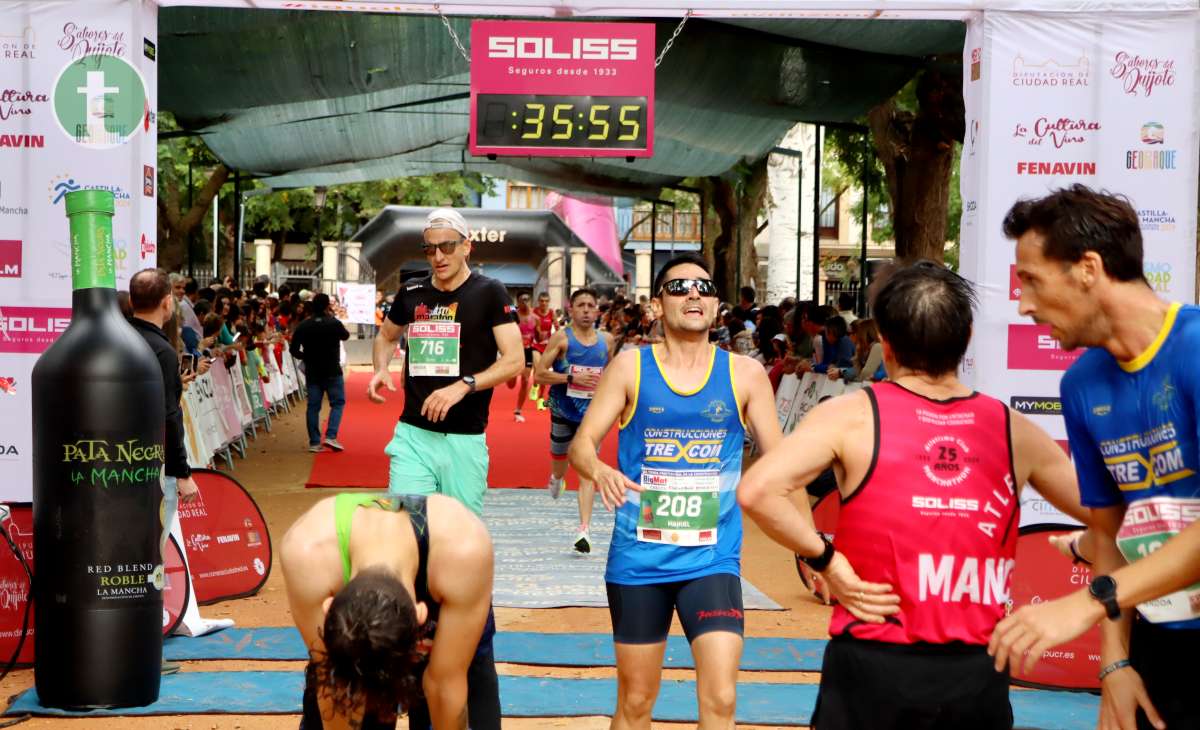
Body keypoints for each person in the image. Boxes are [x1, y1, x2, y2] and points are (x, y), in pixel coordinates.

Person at [737, 261, 1093, 730]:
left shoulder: (849, 416)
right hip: (975, 671)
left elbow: (758, 491)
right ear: (966, 339)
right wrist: (1089, 550)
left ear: (884, 342)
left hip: (872, 662)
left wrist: (826, 560)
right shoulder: (1012, 428)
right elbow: (1107, 511)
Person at [988, 185, 1200, 730]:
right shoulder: (1081, 384)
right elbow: (1110, 531)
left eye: (1031, 280)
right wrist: (1116, 661)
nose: (1024, 305)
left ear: (1088, 268)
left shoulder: (1195, 350)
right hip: (1161, 644)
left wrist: (1088, 601)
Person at [568, 253, 783, 729]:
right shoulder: (630, 368)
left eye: (704, 288)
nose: (693, 295)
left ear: (716, 306)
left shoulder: (744, 374)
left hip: (712, 560)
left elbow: (780, 460)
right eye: (680, 286)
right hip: (639, 562)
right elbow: (581, 445)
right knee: (637, 701)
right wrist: (600, 470)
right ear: (657, 305)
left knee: (722, 698)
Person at [281, 492, 498, 730]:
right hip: (350, 656)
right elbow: (337, 686)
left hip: (452, 620)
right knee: (344, 689)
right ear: (329, 607)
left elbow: (444, 684)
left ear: (420, 619)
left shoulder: (464, 549)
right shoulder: (306, 553)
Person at [368, 207, 523, 518]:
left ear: (467, 246)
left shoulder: (489, 292)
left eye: (447, 246)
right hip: (413, 433)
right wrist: (381, 368)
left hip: (464, 437)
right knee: (407, 527)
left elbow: (515, 360)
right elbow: (386, 336)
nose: (438, 256)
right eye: (430, 248)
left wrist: (465, 386)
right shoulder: (411, 291)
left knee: (459, 538)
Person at [128, 269, 233, 649]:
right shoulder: (161, 351)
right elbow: (169, 416)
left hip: (117, 464)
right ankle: (153, 614)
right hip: (154, 464)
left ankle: (164, 611)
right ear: (167, 303)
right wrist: (182, 472)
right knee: (156, 541)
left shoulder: (122, 342)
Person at [532, 287, 610, 552]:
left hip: (591, 415)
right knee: (559, 461)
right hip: (563, 410)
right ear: (571, 310)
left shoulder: (606, 341)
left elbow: (611, 375)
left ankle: (584, 531)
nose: (587, 310)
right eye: (581, 305)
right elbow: (539, 375)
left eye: (591, 305)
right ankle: (556, 479)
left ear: (597, 310)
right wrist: (570, 378)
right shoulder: (561, 340)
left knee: (587, 469)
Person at [291, 293, 351, 453]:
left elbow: (293, 349)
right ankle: (331, 435)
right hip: (332, 370)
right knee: (337, 403)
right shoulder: (334, 323)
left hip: (313, 372)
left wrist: (307, 357)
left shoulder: (304, 325)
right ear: (327, 306)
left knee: (313, 406)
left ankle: (314, 442)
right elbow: (346, 336)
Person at [511, 292, 538, 423]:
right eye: (522, 300)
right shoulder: (512, 314)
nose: (525, 302)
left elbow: (538, 337)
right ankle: (510, 377)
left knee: (526, 380)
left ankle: (518, 410)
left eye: (527, 299)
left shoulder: (535, 317)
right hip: (514, 350)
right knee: (511, 384)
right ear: (518, 301)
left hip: (528, 351)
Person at [530, 291, 556, 409]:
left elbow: (557, 327)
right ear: (538, 302)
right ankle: (535, 386)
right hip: (535, 345)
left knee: (543, 372)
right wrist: (505, 308)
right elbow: (517, 309)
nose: (544, 303)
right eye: (542, 301)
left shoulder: (551, 313)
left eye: (546, 301)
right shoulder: (533, 312)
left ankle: (541, 399)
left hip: (547, 347)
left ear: (548, 302)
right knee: (537, 368)